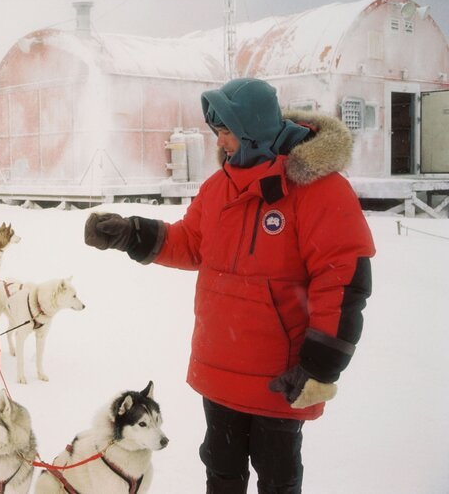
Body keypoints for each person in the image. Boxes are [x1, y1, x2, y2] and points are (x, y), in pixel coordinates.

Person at [84, 77, 375, 494]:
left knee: (277, 478)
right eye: (217, 131)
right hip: (220, 367)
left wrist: (319, 366)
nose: (220, 142)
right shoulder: (218, 187)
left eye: (227, 131)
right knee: (221, 472)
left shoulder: (319, 190)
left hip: (281, 377)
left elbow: (342, 279)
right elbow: (192, 242)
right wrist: (132, 234)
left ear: (253, 128)